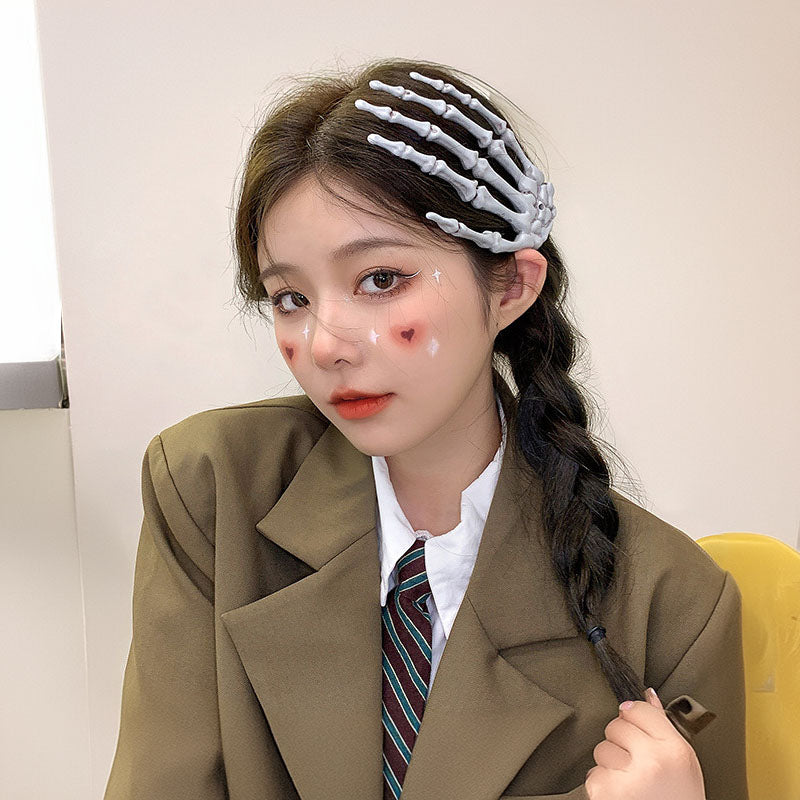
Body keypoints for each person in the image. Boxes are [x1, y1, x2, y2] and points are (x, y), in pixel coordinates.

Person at [103, 58, 748, 800]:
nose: (323, 343)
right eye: (288, 297)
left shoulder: (671, 604)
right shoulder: (213, 490)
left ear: (510, 285)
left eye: (380, 279)